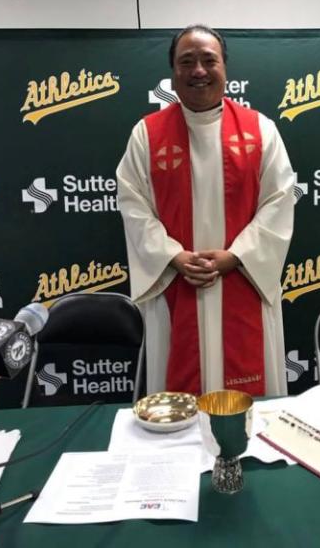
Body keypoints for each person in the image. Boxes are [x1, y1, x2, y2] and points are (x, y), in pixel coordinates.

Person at [116, 25, 295, 397]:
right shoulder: (146, 134)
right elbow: (133, 205)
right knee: (180, 406)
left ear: (224, 68)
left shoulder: (261, 130)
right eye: (186, 61)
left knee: (251, 409)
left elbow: (279, 200)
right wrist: (174, 256)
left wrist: (236, 256)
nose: (198, 70)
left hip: (243, 279)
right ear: (173, 73)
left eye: (208, 60)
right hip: (177, 285)